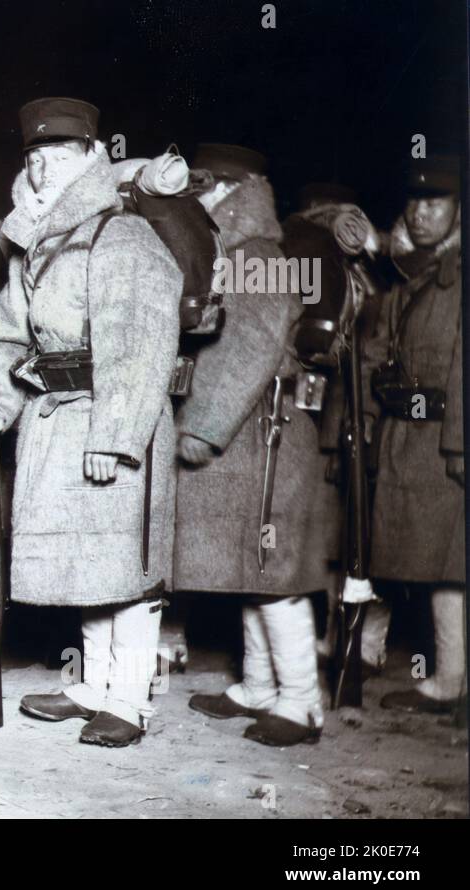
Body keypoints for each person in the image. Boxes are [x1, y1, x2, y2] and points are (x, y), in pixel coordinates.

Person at [0, 98, 180, 747]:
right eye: (34, 158)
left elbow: (141, 338)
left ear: (91, 159)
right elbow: (5, 331)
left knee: (126, 565)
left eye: (58, 158)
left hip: (110, 413)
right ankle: (92, 684)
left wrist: (115, 435)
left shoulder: (120, 232)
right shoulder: (40, 246)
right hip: (56, 416)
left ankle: (130, 697)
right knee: (89, 561)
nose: (42, 171)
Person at [180, 144, 333, 747]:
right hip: (249, 437)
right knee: (253, 566)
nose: (194, 197)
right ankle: (259, 687)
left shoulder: (259, 258)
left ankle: (302, 702)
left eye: (202, 186)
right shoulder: (234, 254)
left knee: (274, 572)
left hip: (266, 435)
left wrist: (203, 426)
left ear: (230, 189)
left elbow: (251, 349)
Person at [363, 153, 464, 716]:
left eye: (436, 203)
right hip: (403, 434)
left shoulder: (454, 276)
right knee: (403, 554)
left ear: (458, 210)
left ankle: (451, 680)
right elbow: (380, 352)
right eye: (414, 202)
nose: (422, 213)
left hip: (442, 440)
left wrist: (459, 446)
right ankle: (372, 653)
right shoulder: (405, 275)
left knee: (449, 564)